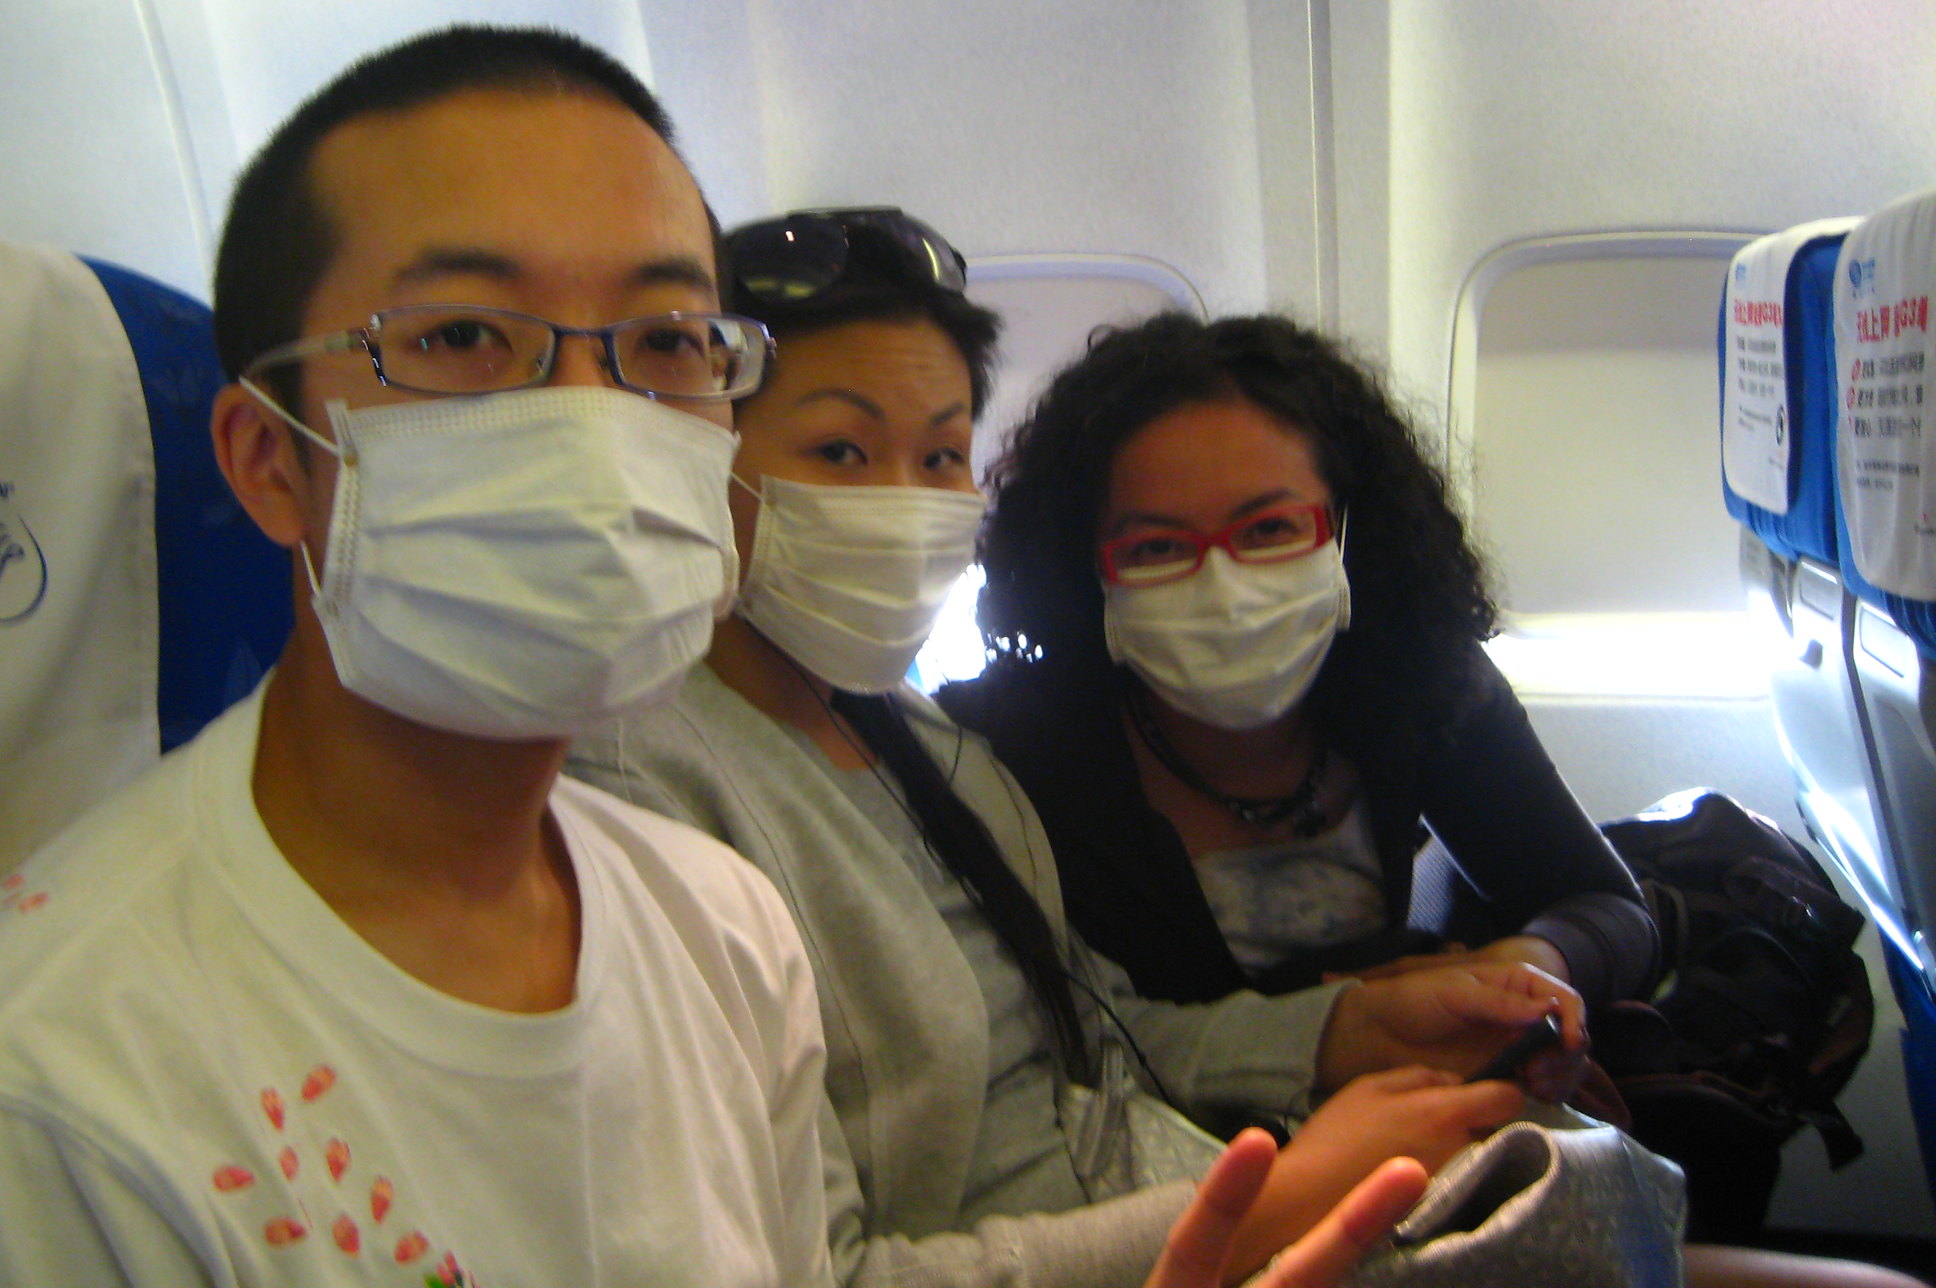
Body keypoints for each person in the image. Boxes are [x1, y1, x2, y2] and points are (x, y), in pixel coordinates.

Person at [0, 29, 1452, 1288]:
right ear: (267, 459)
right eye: (460, 340)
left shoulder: (712, 929)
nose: (593, 426)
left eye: (662, 346)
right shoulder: (42, 1102)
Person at [570, 208, 1584, 1288]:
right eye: (839, 451)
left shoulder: (912, 738)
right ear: (693, 455)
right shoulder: (642, 792)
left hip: (1156, 1183)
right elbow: (823, 1272)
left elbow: (1102, 1039)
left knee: (1579, 1175)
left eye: (942, 453)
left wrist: (1351, 1030)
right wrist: (1283, 1202)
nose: (905, 502)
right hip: (1150, 1244)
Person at [938, 312, 1659, 1010]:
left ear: (1350, 532)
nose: (1225, 590)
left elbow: (1608, 907)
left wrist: (1529, 969)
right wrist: (1341, 1024)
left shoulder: (1420, 681)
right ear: (1083, 570)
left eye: (1270, 529)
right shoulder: (1004, 756)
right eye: (1155, 547)